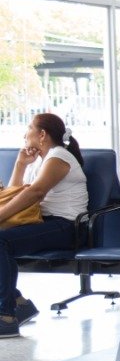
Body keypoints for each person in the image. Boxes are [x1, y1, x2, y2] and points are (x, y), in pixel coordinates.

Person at [1, 114, 88, 336]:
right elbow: (14, 194)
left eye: (29, 128)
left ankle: (6, 315)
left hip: (66, 227)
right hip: (43, 223)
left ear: (42, 134)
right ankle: (19, 304)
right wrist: (20, 165)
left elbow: (35, 193)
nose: (24, 134)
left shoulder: (59, 157)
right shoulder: (40, 160)